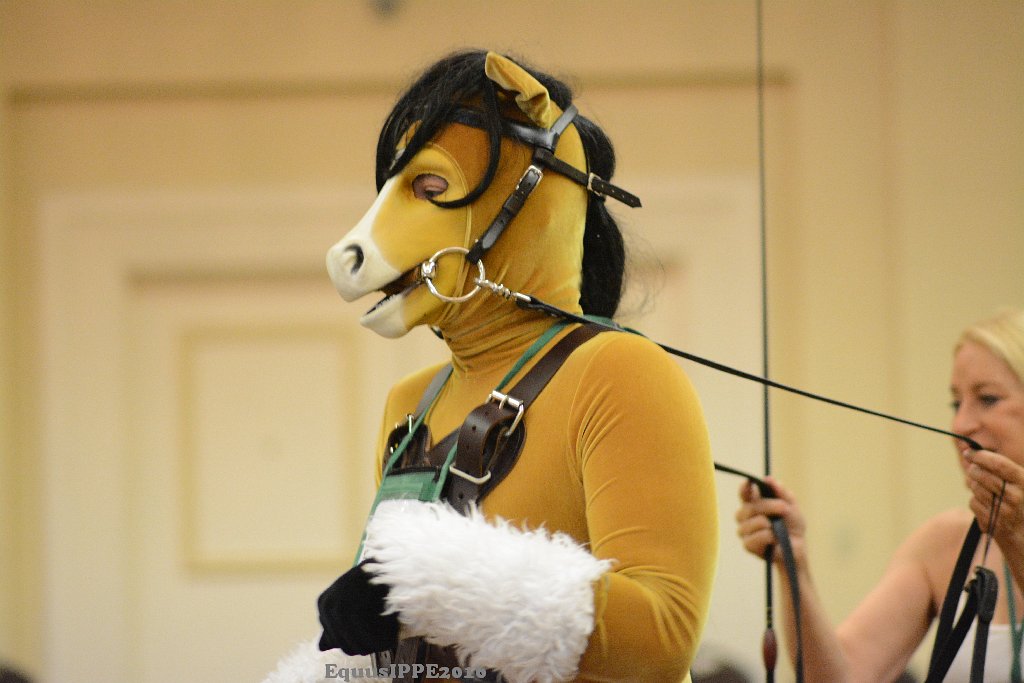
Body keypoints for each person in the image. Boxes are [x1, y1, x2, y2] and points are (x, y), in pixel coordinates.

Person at [265, 50, 719, 683]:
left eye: (432, 189)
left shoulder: (620, 372)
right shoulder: (408, 404)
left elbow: (662, 638)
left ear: (530, 198)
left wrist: (432, 584)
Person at [735, 307, 1024, 682]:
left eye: (987, 399)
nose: (960, 424)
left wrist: (1016, 539)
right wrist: (794, 564)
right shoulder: (942, 544)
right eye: (956, 404)